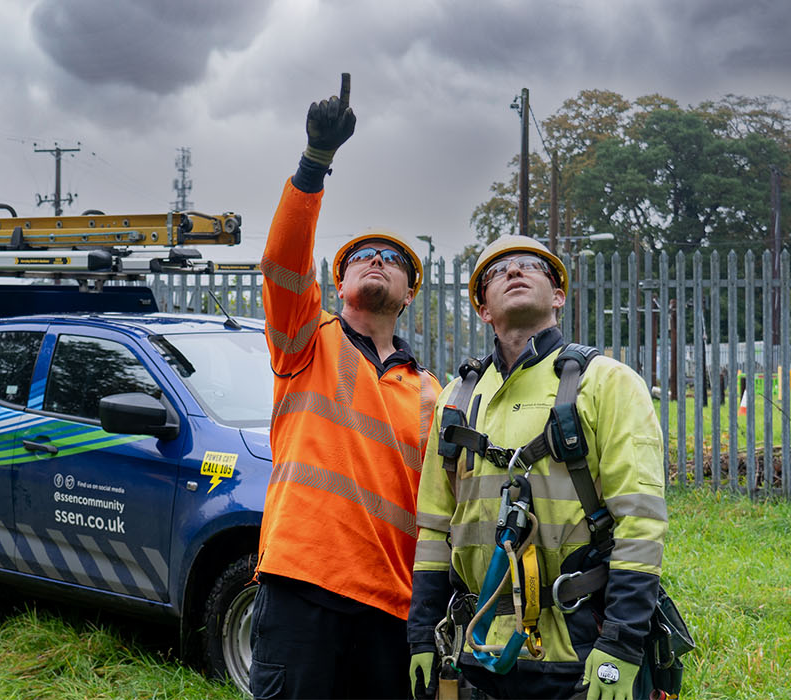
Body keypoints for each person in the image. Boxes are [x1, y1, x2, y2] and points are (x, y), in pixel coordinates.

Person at [405, 236, 667, 700]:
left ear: (558, 296)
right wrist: (424, 635)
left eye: (530, 266)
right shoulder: (456, 399)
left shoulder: (606, 382)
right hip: (477, 651)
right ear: (484, 308)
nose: (514, 272)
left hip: (578, 647)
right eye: (496, 272)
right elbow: (432, 529)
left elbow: (640, 522)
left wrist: (622, 645)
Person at [251, 73, 441, 700]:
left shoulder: (432, 394)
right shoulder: (307, 339)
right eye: (363, 256)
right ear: (338, 285)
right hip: (302, 582)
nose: (378, 260)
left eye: (392, 258)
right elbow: (281, 261)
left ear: (409, 294)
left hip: (393, 604)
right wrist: (315, 163)